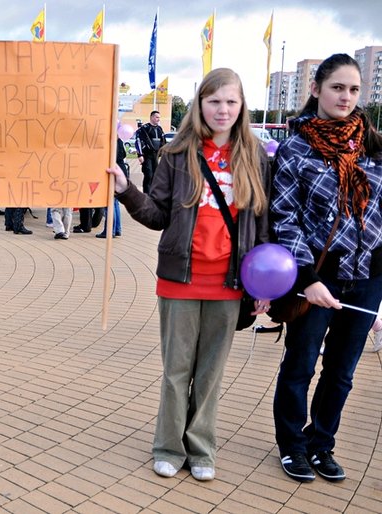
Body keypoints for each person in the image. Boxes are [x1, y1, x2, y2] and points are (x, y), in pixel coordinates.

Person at [106, 68, 270, 481]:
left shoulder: (254, 156)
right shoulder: (177, 154)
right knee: (177, 370)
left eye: (231, 101)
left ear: (241, 106)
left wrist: (264, 284)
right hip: (180, 279)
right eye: (214, 101)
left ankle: (201, 449)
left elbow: (263, 223)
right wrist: (126, 188)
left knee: (211, 373)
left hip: (230, 283)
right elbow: (158, 214)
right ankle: (168, 445)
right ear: (199, 105)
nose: (223, 109)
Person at [270, 53, 382, 483]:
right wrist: (308, 279)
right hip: (318, 275)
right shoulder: (296, 148)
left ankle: (322, 444)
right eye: (337, 87)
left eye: (354, 89)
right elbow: (285, 218)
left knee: (342, 371)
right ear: (315, 89)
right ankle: (293, 445)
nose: (346, 96)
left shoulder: (374, 146)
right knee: (301, 363)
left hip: (369, 276)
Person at [96, 137, 128, 238]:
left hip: (113, 173)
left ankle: (109, 230)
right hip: (121, 171)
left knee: (110, 203)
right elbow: (123, 154)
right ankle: (117, 229)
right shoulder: (119, 140)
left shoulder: (110, 141)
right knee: (115, 203)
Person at [135, 110, 167, 194]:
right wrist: (140, 155)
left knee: (155, 176)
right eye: (157, 117)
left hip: (156, 156)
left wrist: (163, 152)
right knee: (148, 175)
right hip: (147, 155)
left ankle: (153, 194)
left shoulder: (160, 129)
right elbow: (138, 141)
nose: (158, 119)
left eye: (159, 118)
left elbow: (163, 141)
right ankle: (147, 195)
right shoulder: (145, 128)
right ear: (152, 117)